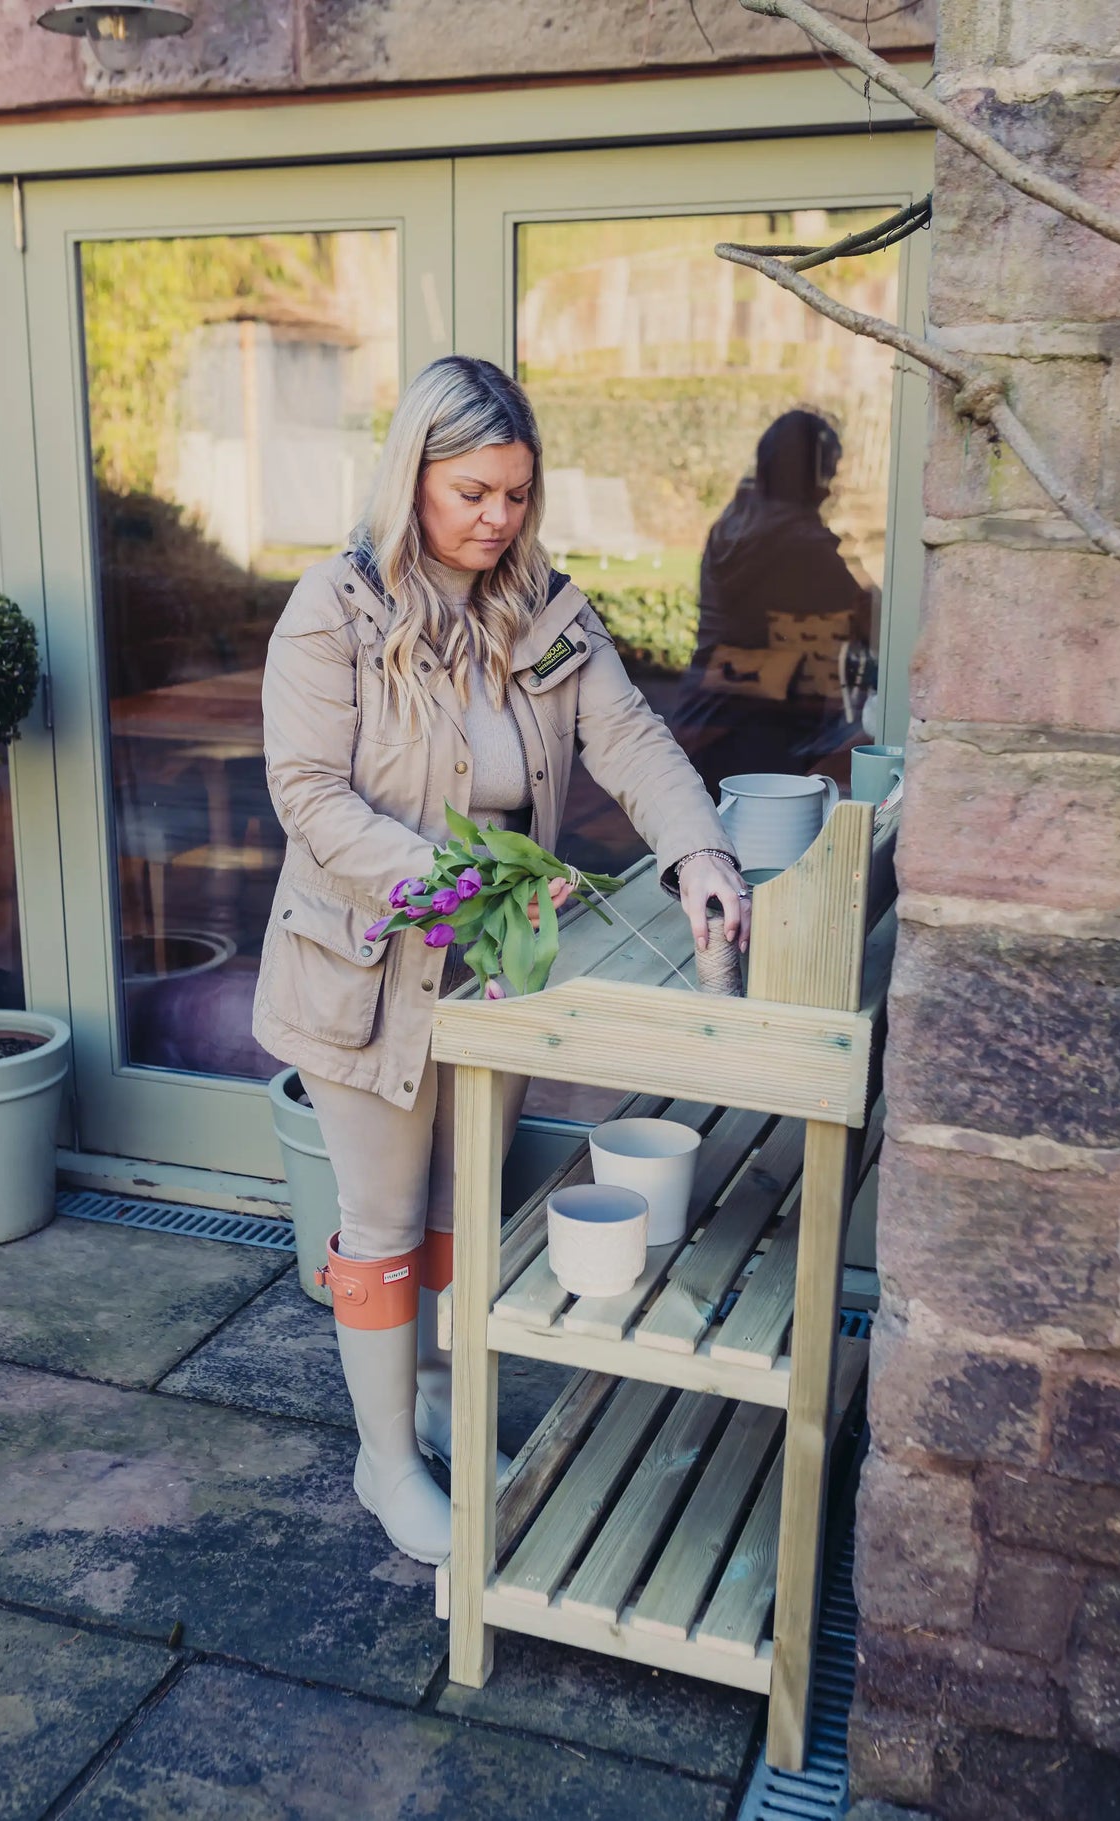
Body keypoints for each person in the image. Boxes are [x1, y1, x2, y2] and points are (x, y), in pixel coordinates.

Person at [254, 355, 749, 1566]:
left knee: (459, 1209)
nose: (497, 519)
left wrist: (697, 854)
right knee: (378, 1219)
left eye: (517, 495)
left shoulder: (543, 612)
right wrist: (445, 881)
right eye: (472, 491)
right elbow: (307, 793)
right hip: (361, 971)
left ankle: (432, 1402)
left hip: (487, 971)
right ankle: (383, 1463)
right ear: (412, 475)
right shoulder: (335, 609)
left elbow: (629, 739)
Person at [672, 409, 875, 792]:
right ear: (811, 477)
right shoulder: (797, 541)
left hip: (708, 710)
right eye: (829, 471)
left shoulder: (737, 521)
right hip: (757, 723)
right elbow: (872, 617)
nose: (831, 486)